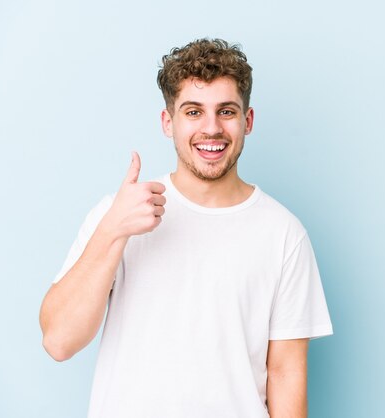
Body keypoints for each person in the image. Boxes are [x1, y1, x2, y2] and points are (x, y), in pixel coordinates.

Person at [39, 38, 333, 418]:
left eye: (226, 111)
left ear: (248, 121)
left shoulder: (284, 234)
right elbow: (59, 341)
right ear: (168, 122)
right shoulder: (118, 215)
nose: (211, 129)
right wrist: (112, 231)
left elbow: (285, 373)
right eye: (193, 112)